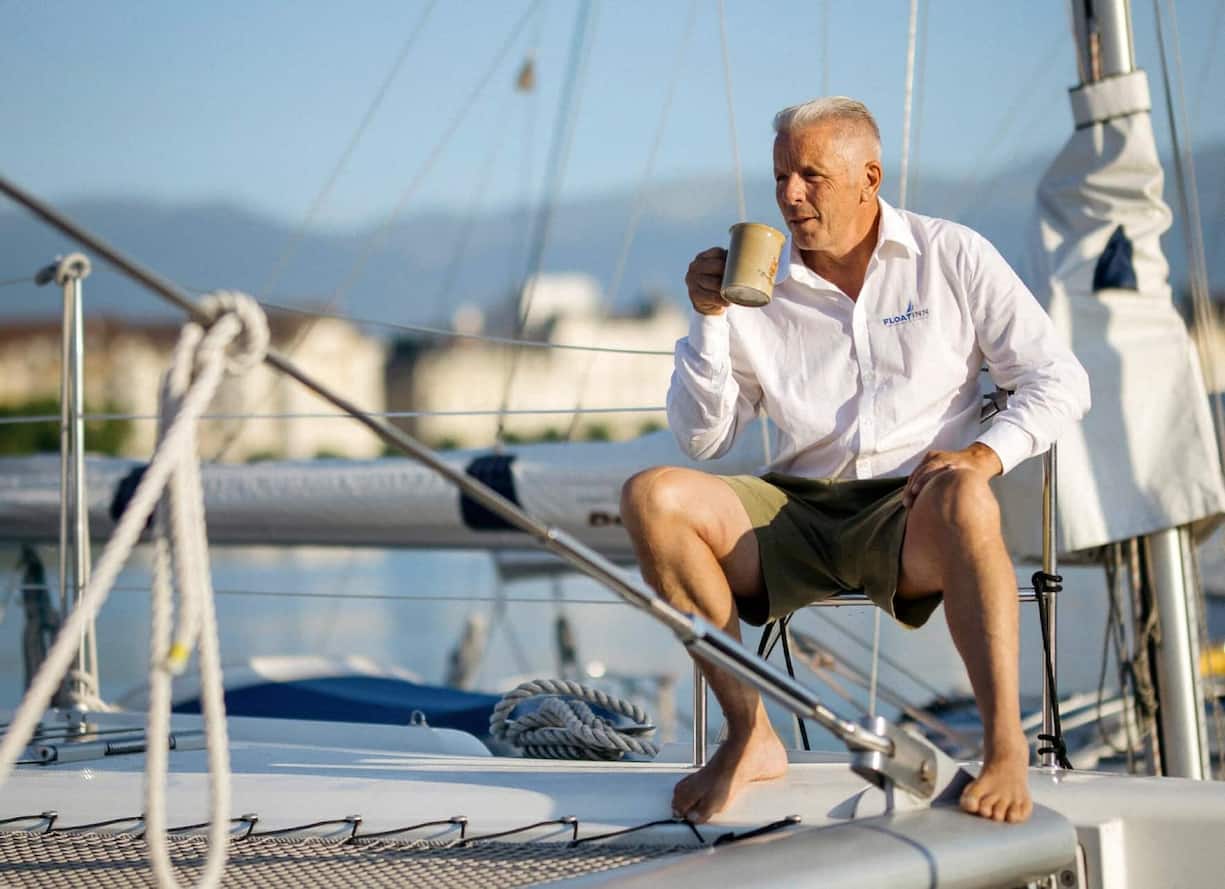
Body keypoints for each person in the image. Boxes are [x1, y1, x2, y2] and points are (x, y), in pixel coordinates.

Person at [620, 97, 1090, 825]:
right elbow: (701, 441)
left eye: (810, 175)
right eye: (780, 176)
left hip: (910, 510)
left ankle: (1004, 749)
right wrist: (708, 322)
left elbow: (1059, 380)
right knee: (652, 495)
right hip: (793, 512)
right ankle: (751, 735)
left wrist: (980, 454)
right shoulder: (756, 284)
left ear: (868, 176)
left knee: (968, 493)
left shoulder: (950, 255)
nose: (789, 195)